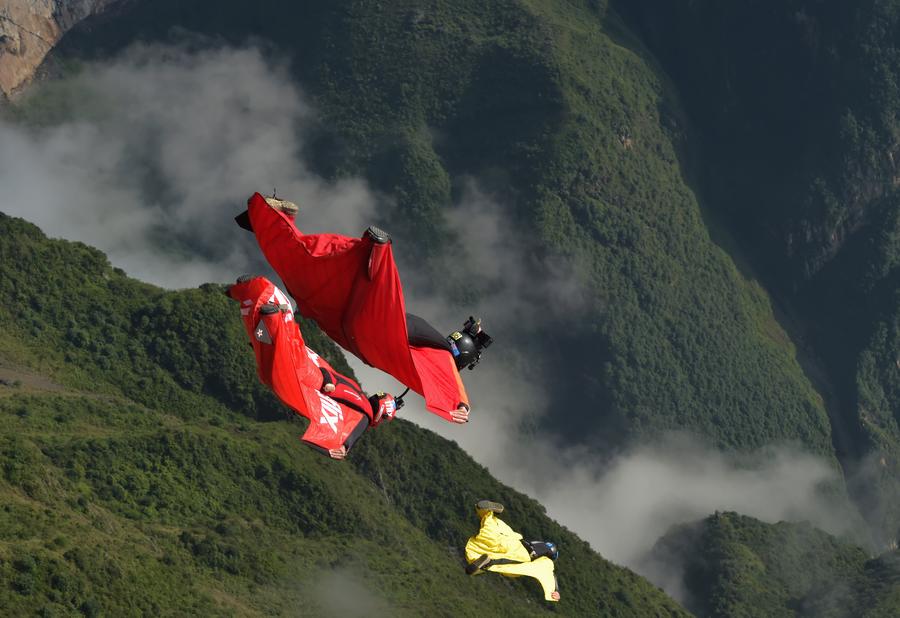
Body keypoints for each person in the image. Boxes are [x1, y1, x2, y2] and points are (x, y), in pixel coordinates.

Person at [235, 192, 492, 424]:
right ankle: (370, 254)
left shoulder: (434, 352)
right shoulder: (436, 362)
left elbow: (413, 326)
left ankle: (272, 221)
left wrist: (457, 401)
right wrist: (460, 405)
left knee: (306, 275)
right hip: (356, 335)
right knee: (306, 282)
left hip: (356, 329)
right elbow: (449, 380)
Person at [227, 274, 397, 459]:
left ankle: (259, 295)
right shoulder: (363, 415)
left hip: (312, 367)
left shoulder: (357, 391)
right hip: (310, 378)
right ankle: (272, 318)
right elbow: (351, 433)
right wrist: (341, 448)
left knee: (285, 340)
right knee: (275, 356)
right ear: (382, 413)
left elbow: (333, 376)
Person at [464, 500, 560, 602]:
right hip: (520, 555)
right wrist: (554, 591)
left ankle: (486, 512)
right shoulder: (546, 562)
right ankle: (486, 564)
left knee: (489, 534)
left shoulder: (531, 543)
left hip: (513, 541)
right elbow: (550, 576)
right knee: (505, 564)